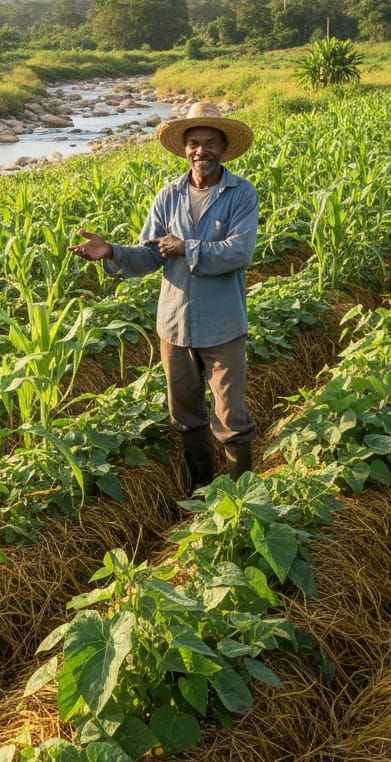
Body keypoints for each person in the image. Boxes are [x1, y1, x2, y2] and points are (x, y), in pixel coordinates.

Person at [69, 101, 258, 490]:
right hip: (175, 326)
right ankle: (202, 494)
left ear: (223, 148)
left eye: (209, 142)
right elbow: (151, 253)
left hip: (223, 325)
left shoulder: (241, 194)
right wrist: (112, 253)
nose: (200, 150)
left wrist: (187, 247)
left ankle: (242, 500)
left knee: (230, 419)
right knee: (186, 416)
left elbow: (240, 251)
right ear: (184, 148)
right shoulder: (168, 195)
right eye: (193, 142)